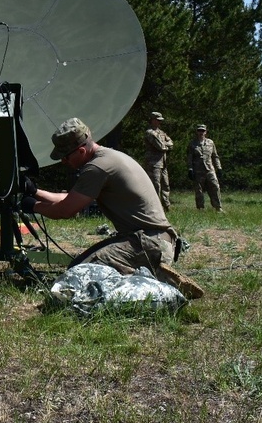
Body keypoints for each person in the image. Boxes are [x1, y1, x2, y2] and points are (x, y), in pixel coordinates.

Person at [21, 117, 203, 299]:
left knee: (79, 275)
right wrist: (35, 191)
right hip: (150, 239)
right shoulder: (107, 158)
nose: (63, 161)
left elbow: (65, 210)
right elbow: (70, 199)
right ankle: (148, 272)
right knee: (78, 267)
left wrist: (33, 206)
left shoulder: (97, 168)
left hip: (148, 243)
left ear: (82, 151)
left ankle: (157, 282)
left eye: (65, 156)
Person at [187, 124, 222, 211]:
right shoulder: (192, 144)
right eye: (199, 131)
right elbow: (189, 158)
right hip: (198, 170)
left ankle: (218, 207)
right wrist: (190, 169)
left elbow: (215, 156)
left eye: (203, 131)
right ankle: (200, 208)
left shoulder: (210, 143)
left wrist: (219, 167)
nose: (201, 133)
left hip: (209, 169)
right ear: (197, 132)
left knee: (215, 187)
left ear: (206, 132)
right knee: (199, 190)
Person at [144, 111, 173, 211]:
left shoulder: (161, 132)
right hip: (153, 163)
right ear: (152, 120)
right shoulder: (150, 133)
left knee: (166, 184)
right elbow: (160, 147)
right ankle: (155, 207)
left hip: (162, 162)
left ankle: (166, 206)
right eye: (157, 120)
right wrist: (165, 145)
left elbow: (171, 143)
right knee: (156, 185)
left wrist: (165, 145)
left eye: (160, 121)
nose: (159, 122)